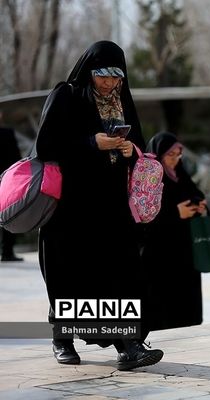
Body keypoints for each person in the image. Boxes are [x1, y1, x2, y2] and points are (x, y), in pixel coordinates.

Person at [35, 40, 163, 370]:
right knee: (70, 274)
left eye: (116, 77)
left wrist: (128, 151)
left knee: (120, 271)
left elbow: (140, 147)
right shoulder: (66, 95)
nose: (108, 83)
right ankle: (62, 337)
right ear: (89, 71)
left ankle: (128, 346)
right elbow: (45, 146)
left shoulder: (124, 101)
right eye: (102, 76)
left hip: (111, 206)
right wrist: (92, 142)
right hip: (70, 208)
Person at [142, 131, 206, 331]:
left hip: (185, 248)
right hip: (160, 249)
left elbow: (196, 194)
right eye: (171, 155)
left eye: (178, 155)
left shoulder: (181, 175)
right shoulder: (149, 177)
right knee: (162, 294)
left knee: (185, 296)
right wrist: (174, 212)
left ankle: (186, 326)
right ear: (158, 154)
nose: (175, 159)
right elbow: (142, 211)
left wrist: (200, 206)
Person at [0, 116, 24, 262]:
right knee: (8, 214)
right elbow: (16, 159)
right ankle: (7, 252)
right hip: (6, 181)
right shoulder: (7, 133)